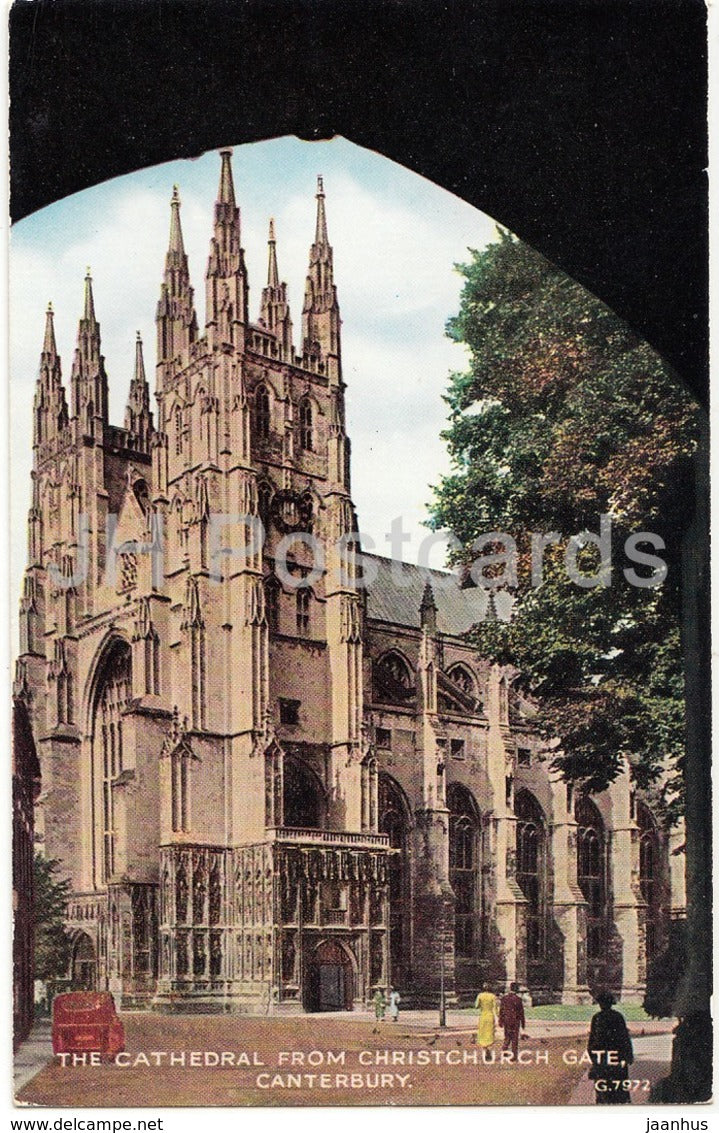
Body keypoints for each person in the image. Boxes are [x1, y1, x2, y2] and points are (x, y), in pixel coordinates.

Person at [587, 991, 634, 1104]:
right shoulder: (617, 1017)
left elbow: (592, 1040)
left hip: (603, 1056)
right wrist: (628, 1055)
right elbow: (625, 1038)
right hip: (616, 1056)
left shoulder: (597, 1018)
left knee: (603, 1089)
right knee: (617, 1087)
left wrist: (592, 1056)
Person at [499, 981, 526, 1060]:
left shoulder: (504, 998)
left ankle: (504, 1050)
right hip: (515, 1020)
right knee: (514, 1038)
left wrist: (501, 1020)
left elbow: (501, 1010)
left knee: (507, 1036)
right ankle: (514, 1055)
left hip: (506, 1020)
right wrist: (523, 1023)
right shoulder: (518, 999)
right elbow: (521, 1012)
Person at [474, 984, 497, 1048]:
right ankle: (489, 1045)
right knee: (489, 1031)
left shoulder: (480, 995)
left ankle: (483, 1044)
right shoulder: (493, 996)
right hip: (490, 1015)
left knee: (482, 1031)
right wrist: (498, 1016)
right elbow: (495, 1008)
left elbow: (476, 1006)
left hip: (483, 1015)